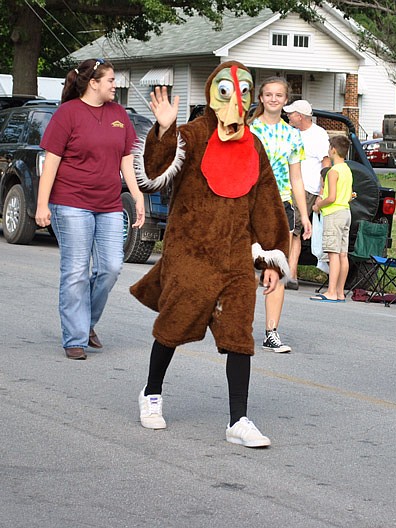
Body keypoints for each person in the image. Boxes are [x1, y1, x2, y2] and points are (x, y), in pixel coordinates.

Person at [130, 61, 290, 447]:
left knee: (239, 334)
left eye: (243, 91)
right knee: (174, 325)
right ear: (212, 94)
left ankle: (239, 420)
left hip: (235, 256)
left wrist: (270, 258)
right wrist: (166, 129)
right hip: (191, 252)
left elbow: (267, 203)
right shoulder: (194, 135)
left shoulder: (254, 145)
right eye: (227, 90)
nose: (236, 99)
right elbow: (152, 173)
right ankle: (151, 393)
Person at [35, 58, 145, 360]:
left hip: (108, 204)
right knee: (75, 271)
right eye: (110, 80)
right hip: (70, 203)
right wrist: (42, 204)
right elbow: (51, 163)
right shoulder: (67, 114)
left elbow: (127, 160)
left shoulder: (119, 114)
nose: (115, 85)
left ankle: (87, 323)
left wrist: (137, 196)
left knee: (110, 267)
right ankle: (75, 338)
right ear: (93, 82)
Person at [248, 78, 311, 353]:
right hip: (250, 203)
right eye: (269, 94)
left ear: (286, 101)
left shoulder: (293, 135)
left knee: (277, 268)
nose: (274, 99)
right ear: (261, 98)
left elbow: (297, 179)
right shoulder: (249, 129)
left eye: (279, 95)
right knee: (247, 268)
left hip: (280, 206)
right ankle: (238, 324)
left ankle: (271, 331)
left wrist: (305, 215)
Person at [284, 99, 331, 288]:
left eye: (291, 113)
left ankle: (289, 274)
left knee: (292, 230)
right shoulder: (289, 132)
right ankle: (289, 273)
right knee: (290, 230)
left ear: (300, 116)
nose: (287, 115)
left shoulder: (318, 135)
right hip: (286, 187)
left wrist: (321, 192)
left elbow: (326, 163)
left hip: (306, 188)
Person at [310, 135, 353, 302]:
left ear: (333, 150)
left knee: (333, 254)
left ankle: (331, 291)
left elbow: (332, 197)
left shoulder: (333, 172)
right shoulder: (347, 170)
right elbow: (349, 196)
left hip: (333, 214)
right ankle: (341, 292)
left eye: (329, 148)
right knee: (343, 254)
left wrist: (318, 205)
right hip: (346, 212)